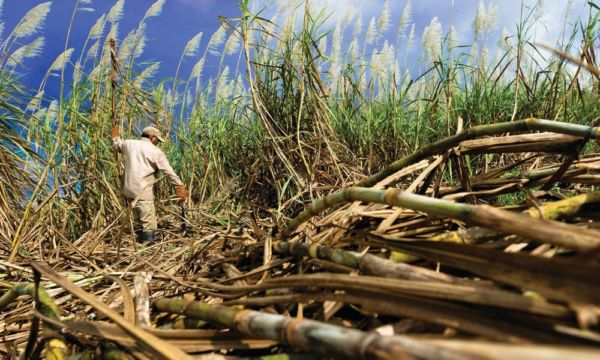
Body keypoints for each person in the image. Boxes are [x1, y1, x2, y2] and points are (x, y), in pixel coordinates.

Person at [111, 125, 188, 242]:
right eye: (157, 140)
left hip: (127, 190)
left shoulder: (129, 144)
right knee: (148, 223)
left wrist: (115, 136)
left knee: (137, 219)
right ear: (153, 138)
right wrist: (179, 185)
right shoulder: (156, 151)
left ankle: (139, 242)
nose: (158, 143)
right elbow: (168, 171)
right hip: (143, 191)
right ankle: (147, 246)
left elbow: (117, 145)